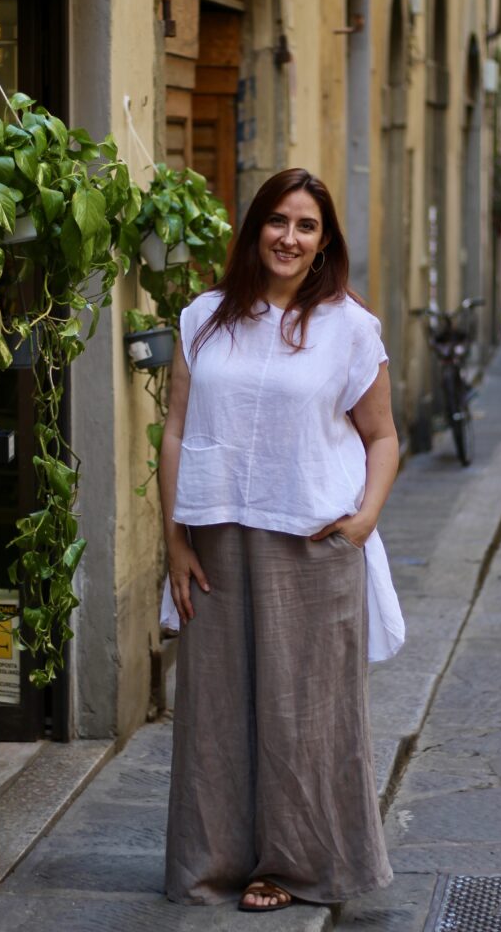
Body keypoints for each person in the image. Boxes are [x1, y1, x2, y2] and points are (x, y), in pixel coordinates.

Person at [158, 168, 405, 912]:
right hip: (216, 542)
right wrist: (174, 541)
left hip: (312, 544)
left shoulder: (350, 328)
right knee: (215, 712)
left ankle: (294, 867)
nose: (289, 238)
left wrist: (365, 519)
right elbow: (175, 430)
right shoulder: (204, 318)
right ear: (254, 227)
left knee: (305, 717)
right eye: (277, 221)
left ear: (324, 242)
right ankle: (213, 861)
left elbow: (383, 435)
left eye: (306, 226)